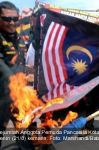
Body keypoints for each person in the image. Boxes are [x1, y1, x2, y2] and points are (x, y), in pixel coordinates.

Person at [0, 1, 35, 149]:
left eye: (15, 18)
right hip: (2, 98)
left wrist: (30, 72)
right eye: (7, 19)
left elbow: (20, 64)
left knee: (27, 137)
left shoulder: (20, 39)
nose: (12, 22)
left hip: (19, 98)